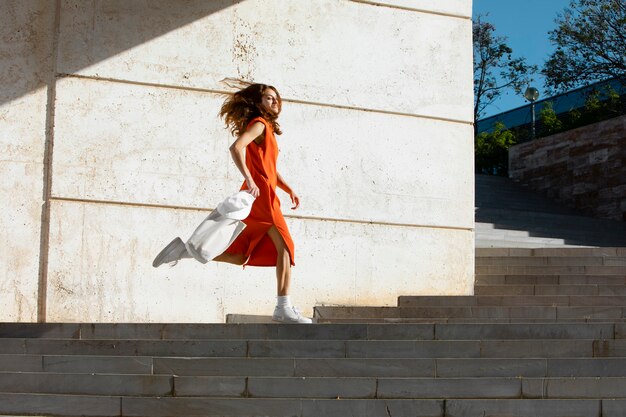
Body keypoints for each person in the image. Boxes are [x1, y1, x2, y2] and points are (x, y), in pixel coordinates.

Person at [153, 83, 311, 324]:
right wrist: (249, 179)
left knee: (239, 255)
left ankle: (184, 251)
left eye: (276, 98)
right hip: (262, 199)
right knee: (285, 248)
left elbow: (268, 169)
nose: (275, 102)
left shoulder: (265, 128)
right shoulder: (259, 124)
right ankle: (283, 307)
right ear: (258, 104)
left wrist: (288, 188)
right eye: (269, 98)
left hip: (266, 196)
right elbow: (236, 147)